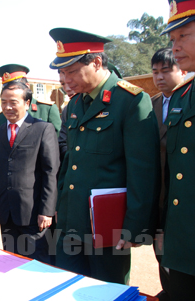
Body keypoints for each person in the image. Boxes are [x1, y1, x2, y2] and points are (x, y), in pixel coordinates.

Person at [50, 27, 160, 284]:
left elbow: (143, 170)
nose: (67, 80)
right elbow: (71, 162)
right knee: (68, 287)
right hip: (72, 221)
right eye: (62, 73)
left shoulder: (131, 101)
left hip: (108, 226)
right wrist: (60, 208)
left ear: (97, 62)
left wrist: (135, 226)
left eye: (72, 71)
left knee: (106, 290)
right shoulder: (76, 104)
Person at [0, 81, 59, 263]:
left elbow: (50, 172)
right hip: (6, 213)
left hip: (34, 214)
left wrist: (47, 210)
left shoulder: (42, 129)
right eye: (3, 102)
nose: (7, 107)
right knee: (11, 261)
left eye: (13, 102)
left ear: (27, 103)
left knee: (38, 265)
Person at [159, 1, 195, 298]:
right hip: (184, 240)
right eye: (172, 40)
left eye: (183, 35)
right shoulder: (184, 93)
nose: (176, 46)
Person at [150, 47, 187, 301]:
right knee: (160, 245)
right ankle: (168, 288)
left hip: (183, 191)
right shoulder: (149, 104)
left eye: (166, 70)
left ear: (181, 70)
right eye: (155, 72)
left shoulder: (188, 98)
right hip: (158, 192)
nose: (159, 77)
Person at [0, 64, 61, 133]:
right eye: (7, 88)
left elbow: (57, 140)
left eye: (16, 87)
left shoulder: (47, 109)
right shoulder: (2, 117)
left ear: (27, 86)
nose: (11, 92)